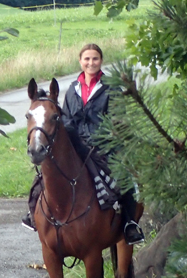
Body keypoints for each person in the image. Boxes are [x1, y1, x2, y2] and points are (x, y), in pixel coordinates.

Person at [22, 43, 145, 245]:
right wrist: (75, 138)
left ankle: (130, 224)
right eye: (87, 59)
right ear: (80, 61)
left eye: (95, 58)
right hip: (77, 144)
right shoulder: (73, 89)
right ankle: (32, 213)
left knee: (125, 177)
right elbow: (67, 118)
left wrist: (99, 139)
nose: (91, 63)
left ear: (101, 61)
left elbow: (117, 119)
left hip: (104, 146)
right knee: (45, 175)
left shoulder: (111, 88)